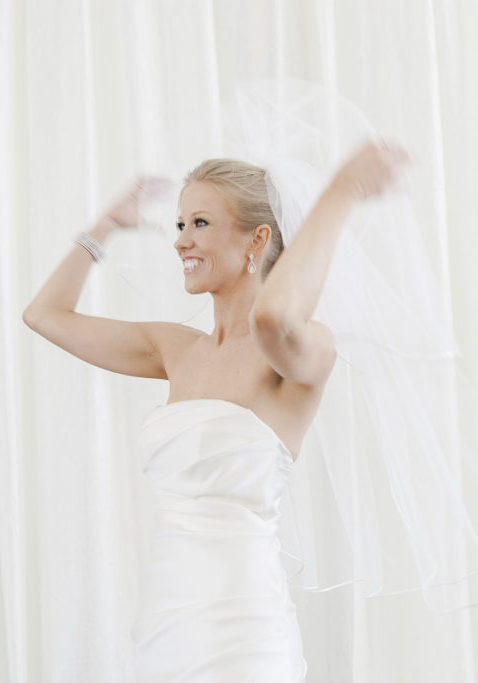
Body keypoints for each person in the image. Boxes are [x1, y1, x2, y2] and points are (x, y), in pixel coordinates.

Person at [22, 141, 409, 681]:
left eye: (199, 223)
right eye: (180, 223)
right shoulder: (174, 349)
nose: (181, 240)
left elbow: (271, 316)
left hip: (244, 634)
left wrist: (340, 192)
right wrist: (106, 225)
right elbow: (44, 315)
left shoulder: (302, 347)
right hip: (167, 624)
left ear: (257, 239)